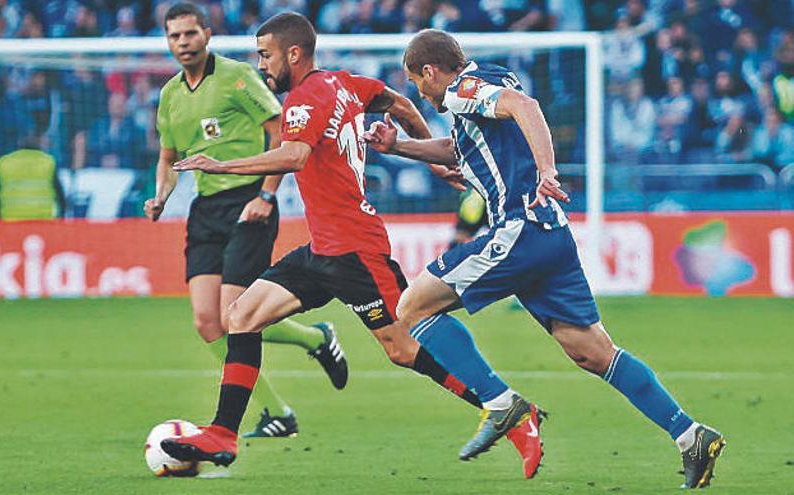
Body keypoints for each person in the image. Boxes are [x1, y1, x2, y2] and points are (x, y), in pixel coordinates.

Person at [159, 12, 544, 478]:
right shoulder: (347, 84)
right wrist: (432, 160)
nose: (261, 65)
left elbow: (294, 154)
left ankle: (509, 411)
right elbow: (399, 102)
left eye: (266, 55)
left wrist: (218, 166)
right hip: (323, 249)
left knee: (403, 348)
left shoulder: (305, 99)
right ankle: (223, 433)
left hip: (357, 252)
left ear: (293, 54)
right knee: (240, 315)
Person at [363, 29, 726, 489]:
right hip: (550, 233)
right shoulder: (488, 80)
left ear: (431, 71)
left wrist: (548, 171)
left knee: (413, 306)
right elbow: (462, 148)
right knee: (592, 352)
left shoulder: (460, 90)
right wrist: (398, 147)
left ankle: (500, 403)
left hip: (519, 228)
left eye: (418, 82)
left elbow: (526, 108)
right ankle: (691, 435)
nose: (421, 92)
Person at [143, 3, 348, 439]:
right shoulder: (171, 95)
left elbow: (281, 133)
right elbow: (167, 157)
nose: (183, 42)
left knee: (234, 313)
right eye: (175, 36)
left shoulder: (238, 76)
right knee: (206, 321)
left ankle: (270, 405)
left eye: (190, 34)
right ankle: (303, 364)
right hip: (205, 209)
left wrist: (266, 195)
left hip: (248, 201)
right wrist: (161, 196)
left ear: (207, 34)